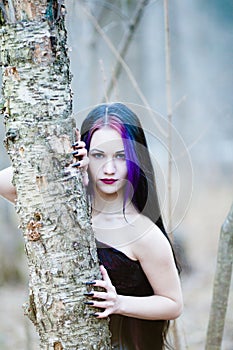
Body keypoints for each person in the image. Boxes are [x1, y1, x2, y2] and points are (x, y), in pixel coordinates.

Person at [0, 102, 183, 349]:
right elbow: (4, 183)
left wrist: (119, 303)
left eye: (120, 156)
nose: (109, 169)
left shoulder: (143, 233)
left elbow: (173, 303)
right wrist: (61, 158)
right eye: (98, 155)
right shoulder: (66, 211)